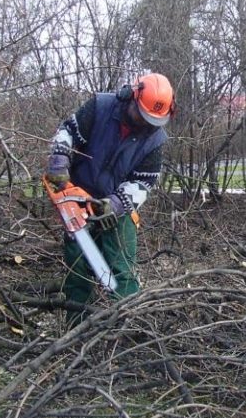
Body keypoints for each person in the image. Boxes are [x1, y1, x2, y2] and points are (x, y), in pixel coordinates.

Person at [44, 72, 174, 325]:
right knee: (78, 266)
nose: (147, 124)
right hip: (79, 194)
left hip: (119, 204)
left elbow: (142, 182)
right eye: (143, 116)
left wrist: (115, 204)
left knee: (122, 268)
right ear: (131, 96)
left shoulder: (155, 140)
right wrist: (59, 159)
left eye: (154, 121)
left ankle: (127, 327)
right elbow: (67, 131)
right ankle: (75, 326)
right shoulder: (101, 107)